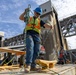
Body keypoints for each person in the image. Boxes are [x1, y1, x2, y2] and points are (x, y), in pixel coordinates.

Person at [19, 7, 53, 72]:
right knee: (30, 47)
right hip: (29, 34)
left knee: (37, 51)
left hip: (37, 35)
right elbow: (20, 18)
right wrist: (25, 12)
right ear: (34, 12)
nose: (37, 14)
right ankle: (28, 65)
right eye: (36, 13)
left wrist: (50, 26)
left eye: (38, 14)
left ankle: (33, 66)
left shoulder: (40, 21)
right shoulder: (29, 18)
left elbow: (45, 25)